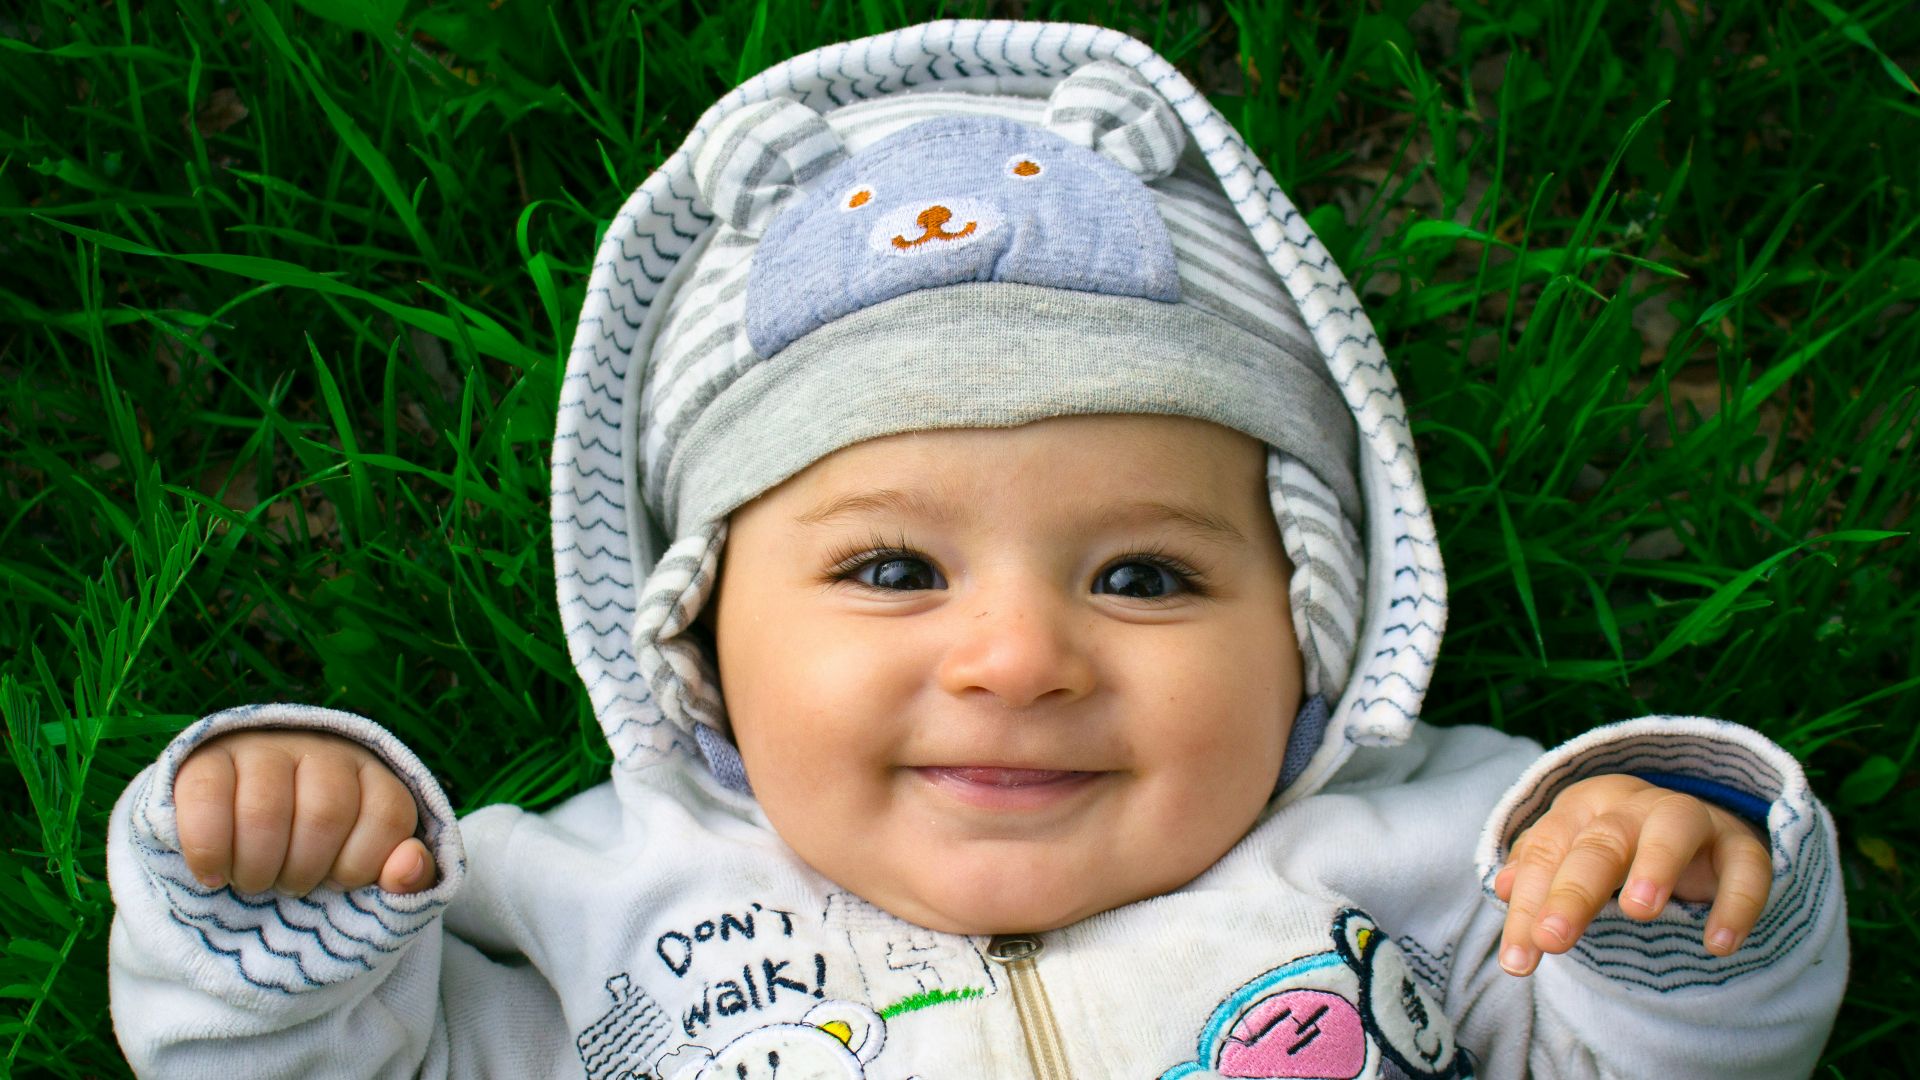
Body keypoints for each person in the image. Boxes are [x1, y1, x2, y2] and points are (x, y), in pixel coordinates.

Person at [105, 20, 1845, 1080]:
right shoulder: (581, 913)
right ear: (698, 634)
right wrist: (285, 899)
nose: (1017, 659)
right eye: (890, 570)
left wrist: (1656, 893)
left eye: (1148, 576)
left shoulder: (1448, 865)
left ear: (1317, 632)